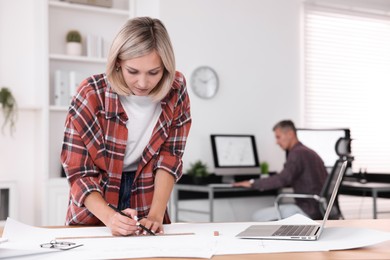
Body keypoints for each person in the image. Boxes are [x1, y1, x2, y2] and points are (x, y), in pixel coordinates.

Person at [60, 17, 191, 236]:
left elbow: (170, 157)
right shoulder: (91, 93)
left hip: (149, 192)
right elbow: (79, 172)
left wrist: (156, 215)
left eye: (153, 72)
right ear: (118, 61)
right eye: (133, 71)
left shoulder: (176, 90)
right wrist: (110, 217)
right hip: (96, 199)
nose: (143, 83)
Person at [233, 120, 327, 220]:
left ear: (290, 134)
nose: (277, 142)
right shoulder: (308, 152)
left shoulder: (297, 153)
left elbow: (283, 179)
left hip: (308, 210)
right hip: (319, 208)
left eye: (278, 137)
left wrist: (252, 183)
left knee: (257, 216)